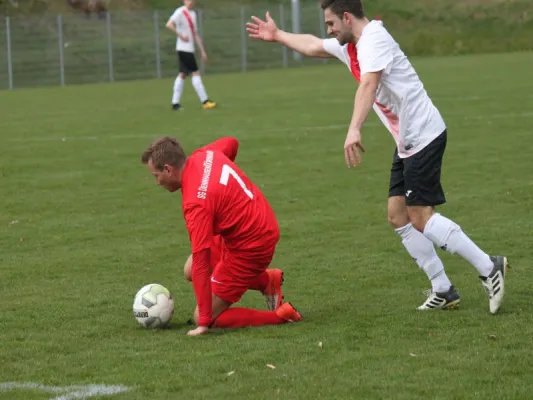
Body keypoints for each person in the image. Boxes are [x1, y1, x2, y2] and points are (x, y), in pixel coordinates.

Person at [246, 0, 509, 313]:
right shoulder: (351, 45)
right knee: (398, 214)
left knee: (421, 217)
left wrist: (354, 129)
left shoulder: (375, 39)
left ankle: (488, 266)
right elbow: (314, 45)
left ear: (346, 17)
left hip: (424, 136)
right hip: (407, 142)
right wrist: (278, 35)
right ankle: (443, 288)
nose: (328, 30)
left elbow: (369, 84)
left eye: (331, 23)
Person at [141, 136, 302, 336]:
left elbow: (202, 260)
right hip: (254, 222)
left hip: (252, 246)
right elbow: (231, 142)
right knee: (189, 270)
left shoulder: (195, 204)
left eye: (156, 176)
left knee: (204, 315)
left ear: (168, 169)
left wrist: (204, 322)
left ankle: (282, 316)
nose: (157, 182)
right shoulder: (205, 155)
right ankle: (266, 281)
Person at [166, 0, 216, 111]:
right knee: (195, 73)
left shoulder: (193, 14)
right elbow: (169, 24)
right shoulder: (180, 12)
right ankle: (205, 101)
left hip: (189, 49)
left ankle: (175, 103)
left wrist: (202, 50)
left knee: (183, 74)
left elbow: (195, 33)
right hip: (184, 49)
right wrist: (181, 36)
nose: (190, 2)